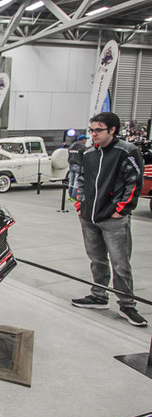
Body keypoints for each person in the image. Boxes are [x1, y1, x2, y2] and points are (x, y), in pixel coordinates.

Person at [72, 112, 147, 327]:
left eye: (98, 130)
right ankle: (98, 296)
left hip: (113, 219)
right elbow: (83, 180)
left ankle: (127, 305)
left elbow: (134, 182)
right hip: (89, 216)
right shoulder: (89, 153)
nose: (94, 134)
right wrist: (81, 204)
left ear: (112, 130)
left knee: (120, 263)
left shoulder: (127, 151)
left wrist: (120, 210)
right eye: (92, 130)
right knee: (97, 259)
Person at [67, 135, 87, 201]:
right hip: (78, 165)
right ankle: (74, 196)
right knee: (76, 181)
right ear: (83, 140)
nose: (86, 141)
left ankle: (70, 195)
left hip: (71, 164)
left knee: (70, 181)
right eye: (85, 139)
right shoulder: (82, 146)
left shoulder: (71, 146)